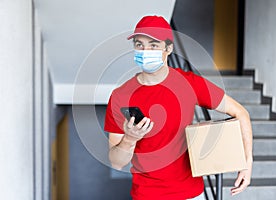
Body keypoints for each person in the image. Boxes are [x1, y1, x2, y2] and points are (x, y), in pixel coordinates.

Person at [104, 15, 253, 200]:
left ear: (168, 48)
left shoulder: (189, 83)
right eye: (139, 45)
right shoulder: (121, 95)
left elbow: (241, 113)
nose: (144, 51)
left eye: (153, 45)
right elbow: (117, 162)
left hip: (191, 194)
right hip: (147, 195)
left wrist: (247, 164)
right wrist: (130, 138)